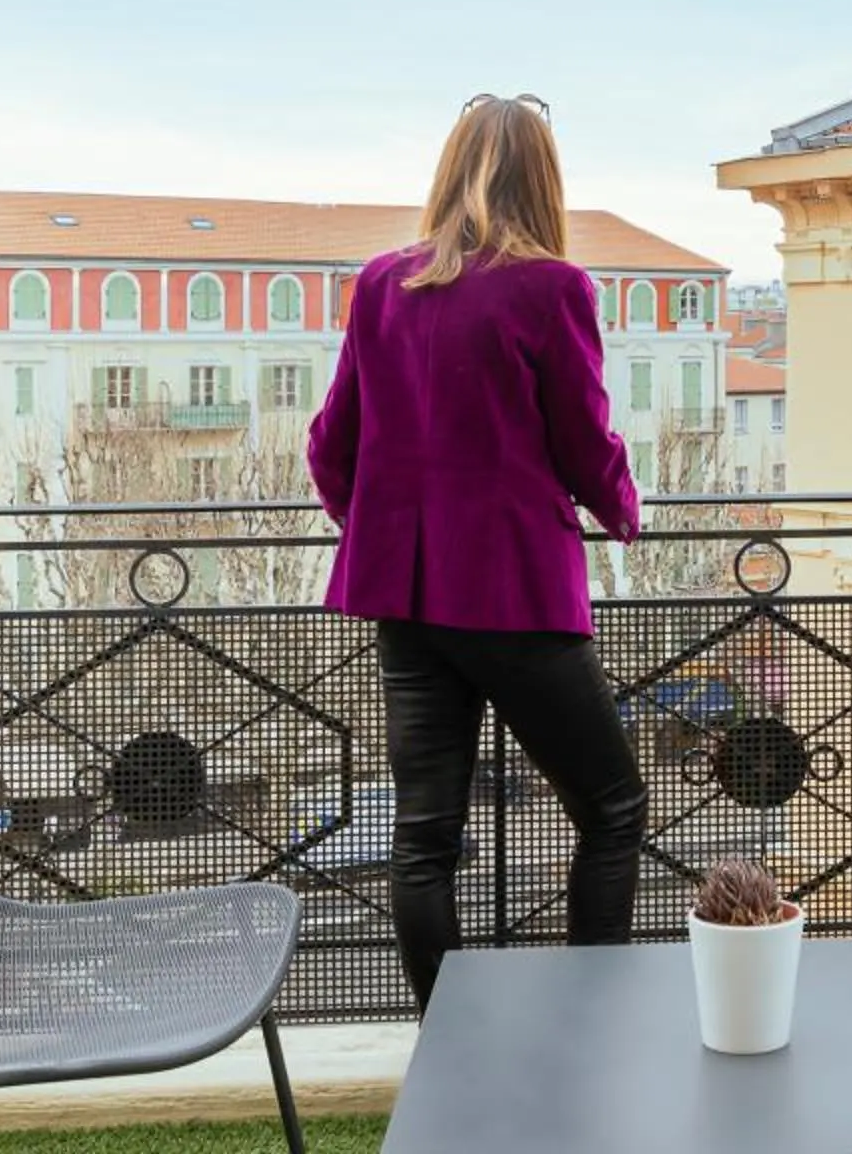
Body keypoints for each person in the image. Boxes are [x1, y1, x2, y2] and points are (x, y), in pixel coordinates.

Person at [308, 92, 649, 1013]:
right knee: (614, 809)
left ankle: (446, 1044)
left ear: (450, 167)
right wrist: (625, 512)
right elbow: (584, 437)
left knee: (425, 836)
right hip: (514, 595)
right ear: (544, 180)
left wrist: (382, 530)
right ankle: (595, 1025)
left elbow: (330, 443)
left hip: (406, 602)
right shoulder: (552, 287)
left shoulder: (382, 283)